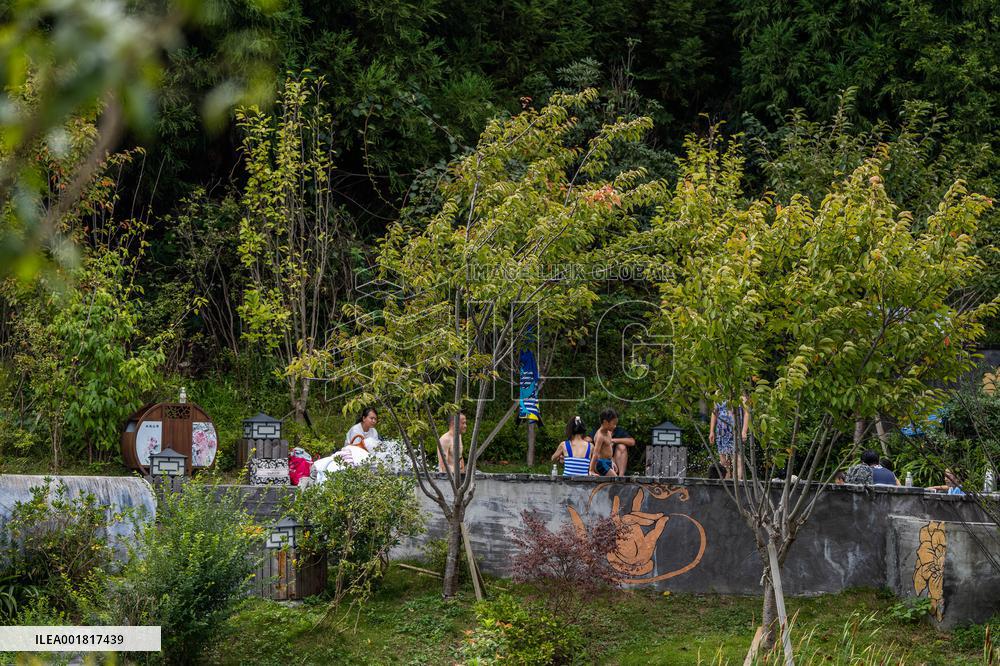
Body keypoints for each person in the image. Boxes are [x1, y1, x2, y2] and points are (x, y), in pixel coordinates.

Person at [709, 398, 750, 480]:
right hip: (721, 432)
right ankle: (726, 482)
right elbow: (714, 413)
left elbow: (747, 413)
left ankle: (737, 483)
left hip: (735, 432)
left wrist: (744, 431)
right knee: (724, 462)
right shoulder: (718, 395)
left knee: (737, 460)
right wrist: (711, 431)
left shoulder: (741, 397)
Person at [589, 408, 634, 475]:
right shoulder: (600, 436)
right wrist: (591, 470)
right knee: (615, 479)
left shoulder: (608, 433)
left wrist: (612, 462)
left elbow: (609, 450)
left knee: (612, 481)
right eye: (614, 424)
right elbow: (596, 453)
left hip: (608, 461)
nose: (615, 426)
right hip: (601, 463)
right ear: (605, 422)